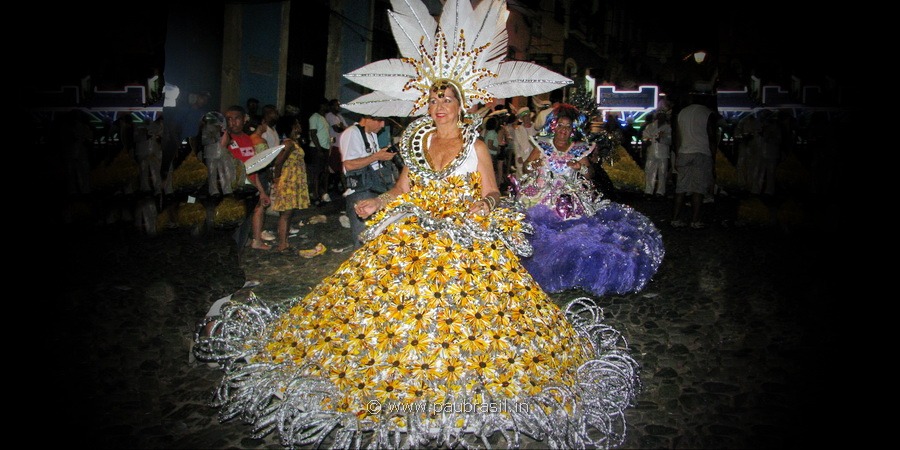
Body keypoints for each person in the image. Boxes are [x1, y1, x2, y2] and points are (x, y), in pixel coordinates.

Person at [195, 1, 635, 447]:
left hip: (464, 237)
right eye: (433, 98)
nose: (439, 105)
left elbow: (491, 191)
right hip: (413, 229)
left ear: (460, 103)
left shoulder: (476, 145)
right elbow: (403, 187)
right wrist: (378, 201)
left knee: (468, 315)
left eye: (447, 98)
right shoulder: (417, 139)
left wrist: (484, 207)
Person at [515, 103, 665, 296]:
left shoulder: (579, 149)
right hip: (543, 196)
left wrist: (580, 168)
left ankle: (570, 270)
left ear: (572, 130)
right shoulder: (543, 144)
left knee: (576, 234)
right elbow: (527, 167)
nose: (563, 130)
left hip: (571, 199)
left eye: (567, 127)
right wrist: (534, 164)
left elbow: (590, 174)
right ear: (554, 127)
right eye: (560, 125)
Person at [338, 115, 395, 249]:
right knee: (363, 239)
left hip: (375, 189)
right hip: (361, 192)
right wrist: (376, 156)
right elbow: (349, 165)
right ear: (369, 118)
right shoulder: (353, 132)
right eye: (380, 121)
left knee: (377, 236)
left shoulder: (371, 134)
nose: (382, 126)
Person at [221, 105, 271, 250]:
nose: (232, 122)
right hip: (233, 189)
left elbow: (252, 169)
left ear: (244, 120)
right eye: (229, 119)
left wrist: (261, 191)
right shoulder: (225, 139)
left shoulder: (248, 140)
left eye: (236, 119)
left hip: (250, 187)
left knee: (246, 223)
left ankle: (242, 247)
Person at [671, 95, 719, 228]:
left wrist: (678, 155)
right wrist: (713, 158)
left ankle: (675, 219)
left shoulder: (682, 113)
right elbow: (712, 136)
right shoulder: (707, 113)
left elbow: (677, 136)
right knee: (698, 189)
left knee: (680, 188)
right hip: (701, 153)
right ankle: (695, 220)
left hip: (684, 152)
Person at [269, 114, 310, 252]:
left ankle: (284, 241)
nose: (299, 126)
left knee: (288, 213)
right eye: (296, 123)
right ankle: (282, 243)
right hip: (288, 181)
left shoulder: (293, 142)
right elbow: (279, 161)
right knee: (285, 214)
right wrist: (277, 179)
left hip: (294, 180)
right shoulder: (288, 143)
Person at [642, 111, 672, 197]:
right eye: (660, 115)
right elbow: (644, 137)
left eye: (663, 116)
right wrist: (646, 141)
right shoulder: (650, 126)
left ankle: (660, 191)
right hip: (651, 152)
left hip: (663, 153)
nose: (661, 117)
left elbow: (670, 140)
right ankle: (648, 191)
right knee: (649, 171)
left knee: (662, 173)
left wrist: (662, 140)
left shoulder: (668, 128)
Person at [307, 98, 331, 205]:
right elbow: (313, 134)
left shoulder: (323, 118)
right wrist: (319, 149)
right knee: (316, 173)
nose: (327, 107)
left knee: (324, 172)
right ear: (322, 105)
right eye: (326, 105)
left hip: (324, 148)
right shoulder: (314, 117)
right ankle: (315, 195)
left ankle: (323, 194)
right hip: (317, 149)